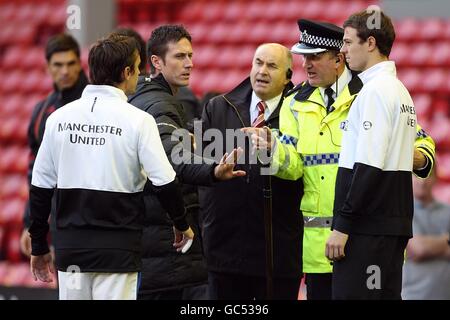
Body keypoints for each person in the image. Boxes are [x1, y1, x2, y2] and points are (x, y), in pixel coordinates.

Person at [244, 19, 435, 300]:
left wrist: (409, 157)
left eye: (315, 57)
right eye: (303, 57)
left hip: (362, 238)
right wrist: (272, 150)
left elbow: (422, 141)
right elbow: (294, 166)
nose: (306, 65)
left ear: (338, 59)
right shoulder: (294, 103)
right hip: (317, 248)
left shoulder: (370, 92)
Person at [29, 34, 194, 300]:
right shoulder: (139, 121)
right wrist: (181, 223)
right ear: (127, 71)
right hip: (119, 252)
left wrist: (38, 245)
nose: (140, 74)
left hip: (72, 251)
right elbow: (165, 181)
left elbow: (40, 187)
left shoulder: (58, 118)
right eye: (138, 67)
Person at [128, 25, 245, 300]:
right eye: (180, 56)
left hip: (148, 239)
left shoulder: (144, 96)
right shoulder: (160, 104)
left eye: (190, 55)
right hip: (162, 246)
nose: (190, 63)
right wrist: (213, 171)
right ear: (156, 62)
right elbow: (172, 157)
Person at [326, 9, 419, 299]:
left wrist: (342, 226)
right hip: (388, 227)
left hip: (367, 232)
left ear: (370, 43)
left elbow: (369, 165)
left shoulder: (376, 92)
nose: (343, 50)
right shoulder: (399, 90)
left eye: (348, 41)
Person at [200, 43, 304, 300]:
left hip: (278, 254)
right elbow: (200, 173)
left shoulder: (302, 114)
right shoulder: (218, 108)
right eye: (258, 63)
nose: (262, 71)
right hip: (225, 252)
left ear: (288, 76)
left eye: (272, 66)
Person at [20, 33, 89, 257]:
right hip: (60, 223)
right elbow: (36, 173)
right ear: (48, 67)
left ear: (80, 64)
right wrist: (30, 223)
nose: (65, 71)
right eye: (58, 65)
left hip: (96, 221)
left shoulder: (95, 105)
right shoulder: (42, 111)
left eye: (70, 63)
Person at [402, 169, 450, 300]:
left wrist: (431, 245)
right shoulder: (402, 212)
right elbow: (419, 249)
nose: (422, 182)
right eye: (416, 176)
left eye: (427, 176)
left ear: (436, 178)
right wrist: (447, 240)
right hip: (412, 296)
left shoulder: (448, 211)